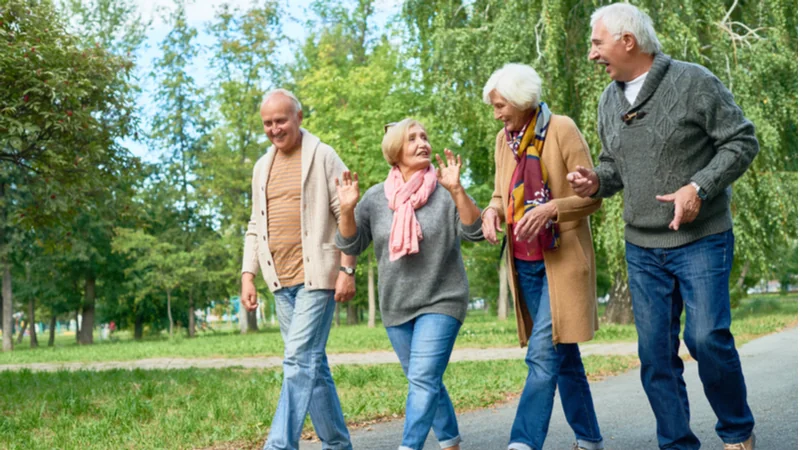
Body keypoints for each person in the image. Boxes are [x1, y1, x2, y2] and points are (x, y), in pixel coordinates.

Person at [568, 4, 759, 450]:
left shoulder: (694, 82)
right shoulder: (608, 99)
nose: (593, 54)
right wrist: (597, 180)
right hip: (642, 245)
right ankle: (676, 444)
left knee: (706, 338)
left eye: (597, 43)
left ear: (627, 42)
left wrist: (700, 187)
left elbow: (742, 140)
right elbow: (615, 168)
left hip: (701, 239)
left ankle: (737, 431)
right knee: (655, 356)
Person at [335, 119, 483, 450]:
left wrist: (458, 190)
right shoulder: (374, 198)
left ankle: (409, 446)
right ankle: (450, 442)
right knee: (425, 380)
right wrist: (346, 209)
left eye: (425, 137)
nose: (422, 143)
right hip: (397, 305)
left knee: (422, 378)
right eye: (412, 138)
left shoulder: (446, 189)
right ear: (395, 151)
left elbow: (474, 233)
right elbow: (350, 244)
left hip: (442, 299)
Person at [481, 63, 604, 450]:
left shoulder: (562, 129)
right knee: (564, 356)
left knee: (541, 356)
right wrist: (491, 211)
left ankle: (523, 442)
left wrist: (551, 209)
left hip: (561, 263)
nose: (497, 114)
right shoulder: (505, 140)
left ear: (522, 101)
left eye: (501, 106)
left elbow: (593, 197)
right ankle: (590, 438)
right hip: (525, 265)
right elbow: (502, 194)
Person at [241, 88, 357, 450]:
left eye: (280, 120)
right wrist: (248, 274)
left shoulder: (323, 156)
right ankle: (338, 445)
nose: (274, 129)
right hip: (280, 281)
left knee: (296, 361)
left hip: (317, 278)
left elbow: (346, 215)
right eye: (267, 123)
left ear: (299, 118)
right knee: (312, 367)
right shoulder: (262, 167)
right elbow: (255, 226)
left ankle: (278, 445)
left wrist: (347, 269)